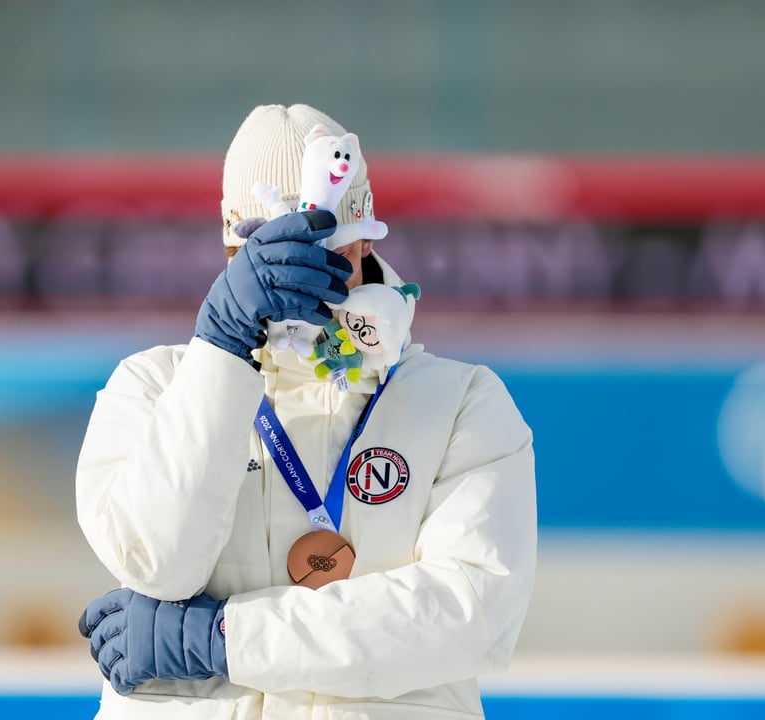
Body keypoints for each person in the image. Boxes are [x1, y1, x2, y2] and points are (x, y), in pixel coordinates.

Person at [74, 104, 536, 720]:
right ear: (229, 250)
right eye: (271, 253)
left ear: (364, 238)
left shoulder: (463, 403)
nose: (299, 279)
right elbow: (159, 563)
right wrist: (221, 351)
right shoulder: (153, 386)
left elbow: (468, 613)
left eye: (319, 249)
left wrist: (224, 640)